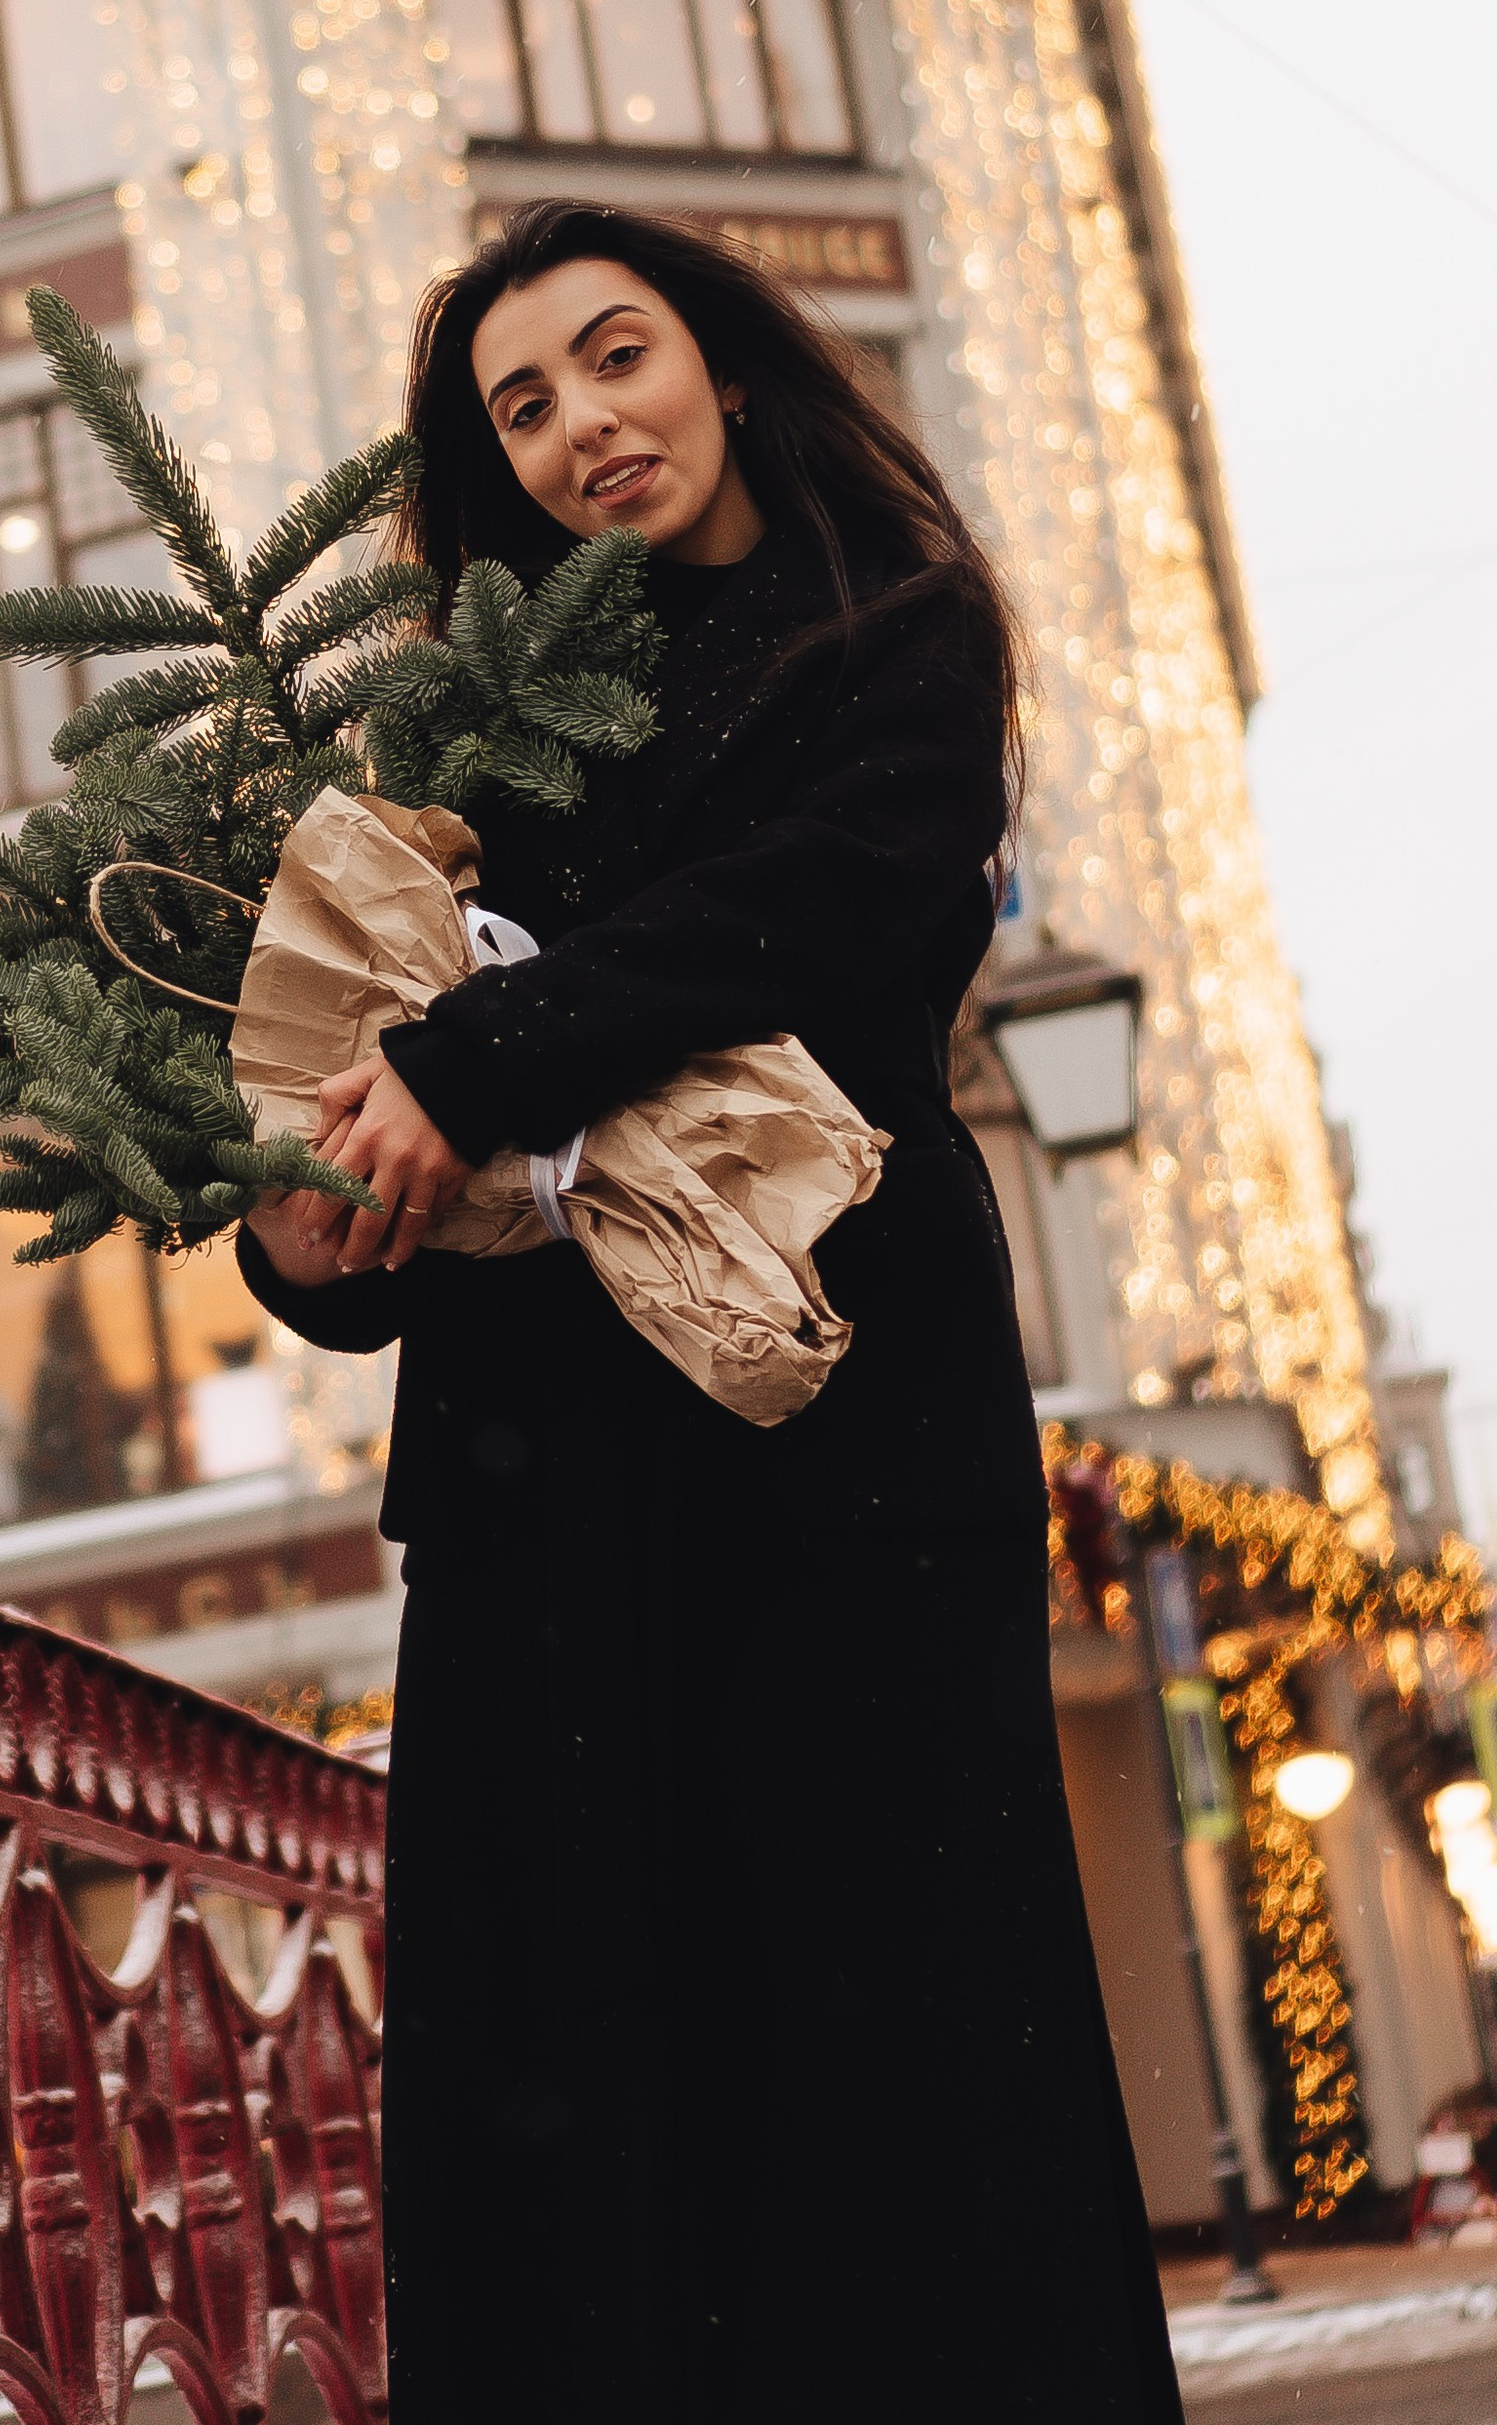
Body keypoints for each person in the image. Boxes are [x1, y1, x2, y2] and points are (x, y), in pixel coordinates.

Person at [237, 200, 1184, 2423]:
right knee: (566, 2078)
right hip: (535, 1488)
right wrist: (300, 1239)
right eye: (524, 407)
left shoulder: (901, 637)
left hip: (833, 1451)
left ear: (725, 365)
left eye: (614, 358)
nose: (583, 425)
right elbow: (341, 1063)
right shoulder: (469, 726)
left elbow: (825, 923)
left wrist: (476, 1063)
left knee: (896, 2044)